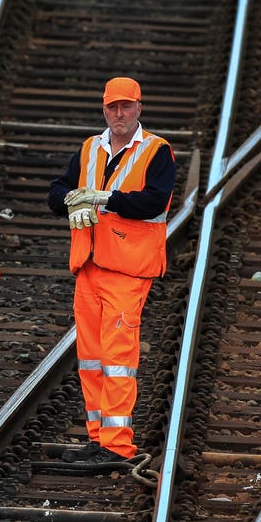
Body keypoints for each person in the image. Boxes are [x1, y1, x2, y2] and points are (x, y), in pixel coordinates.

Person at [46, 76, 175, 465]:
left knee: (118, 358)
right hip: (88, 265)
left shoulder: (157, 150)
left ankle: (117, 445)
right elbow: (57, 189)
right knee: (91, 358)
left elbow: (154, 201)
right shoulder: (90, 148)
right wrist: (70, 201)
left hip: (127, 269)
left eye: (126, 106)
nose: (119, 114)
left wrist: (105, 198)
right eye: (112, 107)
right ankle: (98, 438)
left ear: (139, 107)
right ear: (104, 109)